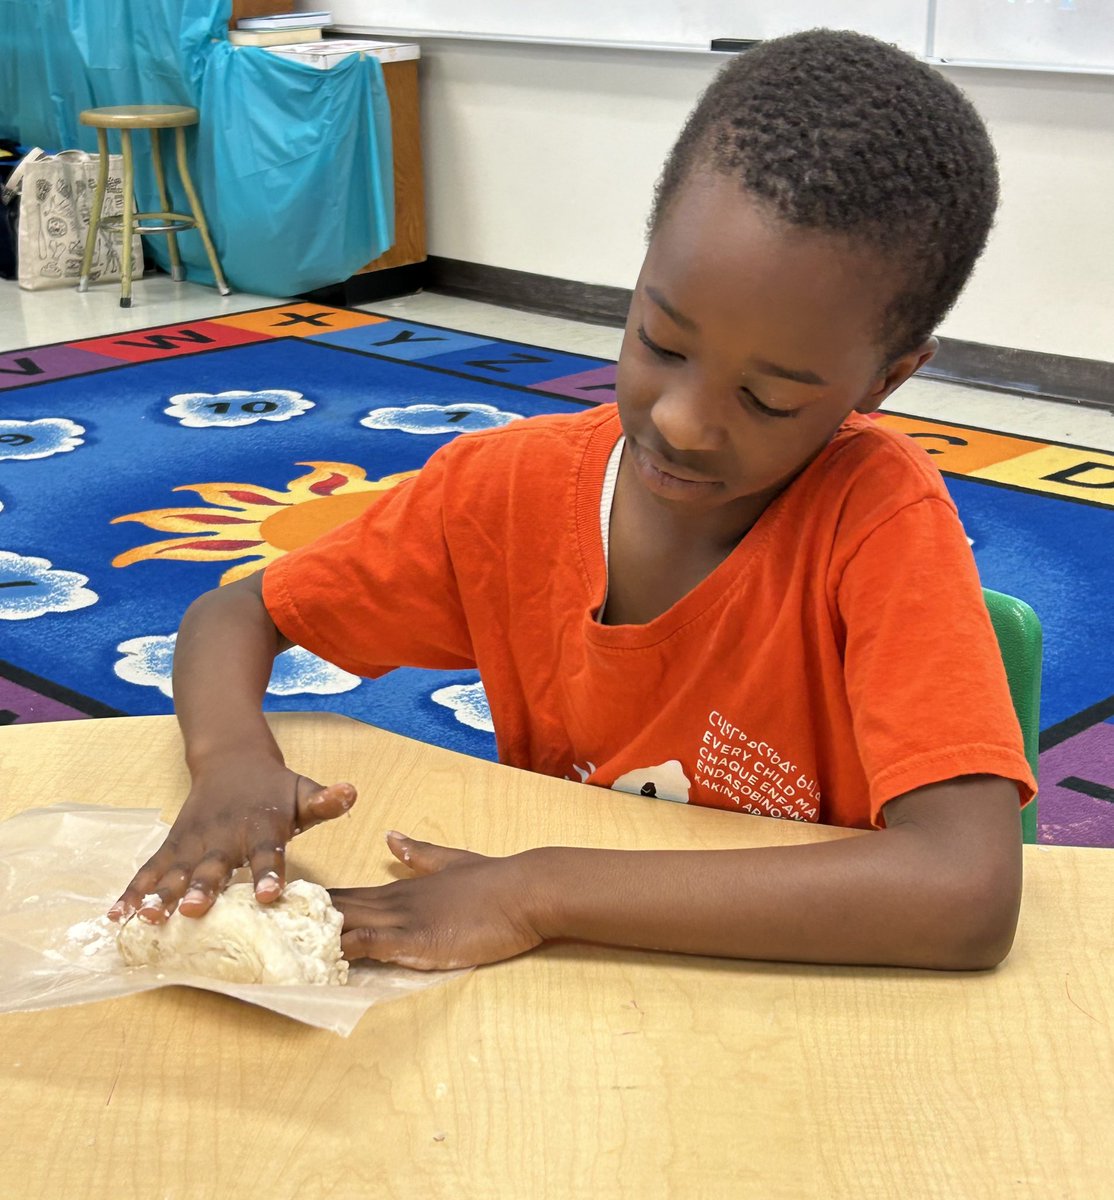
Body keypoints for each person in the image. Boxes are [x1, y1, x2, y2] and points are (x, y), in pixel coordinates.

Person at [109, 29, 1036, 972]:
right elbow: (234, 614)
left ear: (886, 379)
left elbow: (965, 894)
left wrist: (535, 890)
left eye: (767, 399)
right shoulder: (507, 494)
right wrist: (230, 760)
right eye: (661, 341)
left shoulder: (876, 523)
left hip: (796, 1005)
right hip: (578, 1001)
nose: (682, 422)